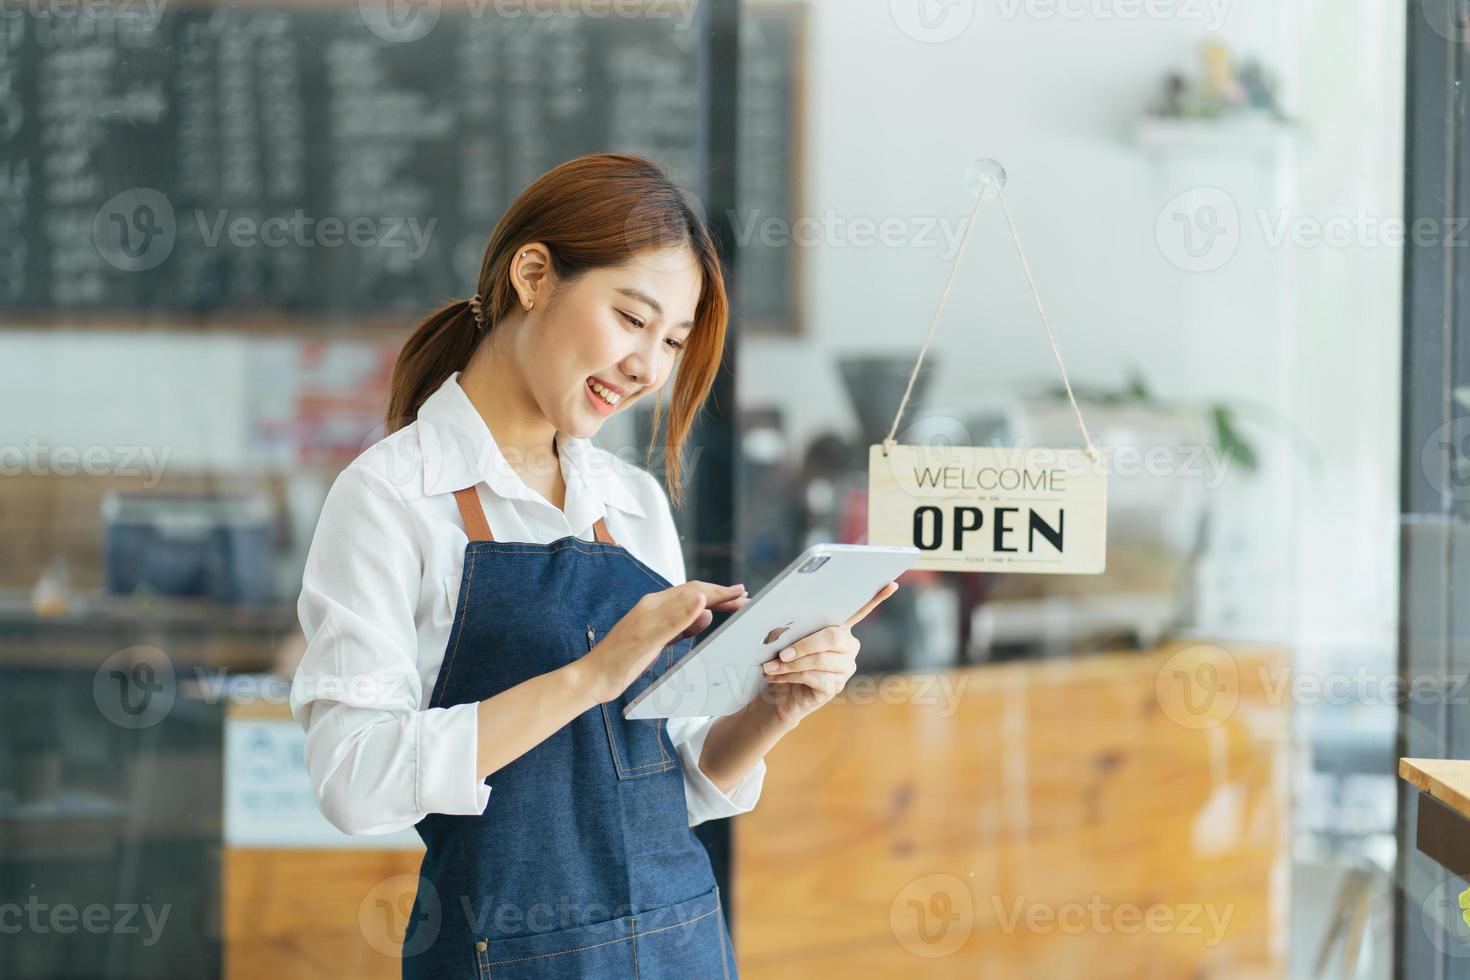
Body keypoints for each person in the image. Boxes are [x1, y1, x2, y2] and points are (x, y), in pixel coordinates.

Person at [290, 153, 897, 979]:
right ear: (534, 274)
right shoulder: (393, 497)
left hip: (683, 942)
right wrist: (591, 675)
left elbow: (673, 779)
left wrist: (779, 707)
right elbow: (353, 780)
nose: (650, 367)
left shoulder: (634, 501)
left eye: (674, 340)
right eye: (631, 318)